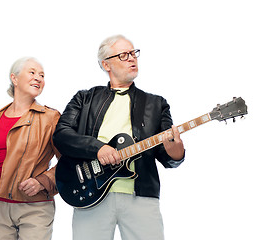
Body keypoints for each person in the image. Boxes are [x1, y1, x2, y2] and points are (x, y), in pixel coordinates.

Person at [53, 35, 185, 240]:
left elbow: (166, 155)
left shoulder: (157, 104)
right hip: (89, 193)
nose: (132, 58)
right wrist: (97, 148)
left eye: (134, 53)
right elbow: (61, 135)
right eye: (124, 55)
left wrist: (176, 155)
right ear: (106, 64)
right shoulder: (84, 98)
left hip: (140, 196)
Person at [0, 57, 60, 240]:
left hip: (34, 208)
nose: (38, 78)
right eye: (32, 72)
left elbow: (69, 161)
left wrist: (43, 181)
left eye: (42, 75)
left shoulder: (51, 118)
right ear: (14, 78)